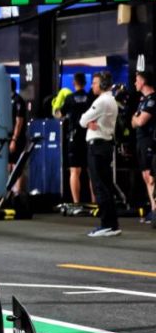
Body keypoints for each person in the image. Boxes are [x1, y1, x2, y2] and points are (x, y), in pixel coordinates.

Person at [80, 71, 120, 237]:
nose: (92, 86)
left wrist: (88, 122)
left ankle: (106, 224)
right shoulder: (111, 100)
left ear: (103, 84)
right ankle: (112, 224)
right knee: (106, 185)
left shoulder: (102, 101)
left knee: (100, 186)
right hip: (104, 145)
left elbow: (83, 120)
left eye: (95, 83)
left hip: (97, 146)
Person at [56, 73, 94, 205]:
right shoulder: (90, 98)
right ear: (85, 83)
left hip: (74, 137)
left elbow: (59, 114)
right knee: (91, 170)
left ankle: (76, 202)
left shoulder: (70, 98)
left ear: (74, 83)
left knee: (74, 170)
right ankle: (94, 202)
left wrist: (56, 106)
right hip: (89, 136)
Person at [130, 70, 156, 224]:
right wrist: (136, 118)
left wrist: (136, 117)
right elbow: (133, 123)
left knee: (151, 177)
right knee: (146, 176)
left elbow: (140, 121)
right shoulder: (142, 100)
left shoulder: (153, 100)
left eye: (137, 80)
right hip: (140, 141)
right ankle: (153, 209)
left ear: (144, 81)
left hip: (150, 141)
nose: (135, 83)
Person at [9, 79, 27, 195]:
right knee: (8, 165)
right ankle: (9, 191)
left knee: (17, 165)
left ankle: (18, 193)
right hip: (7, 137)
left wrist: (14, 139)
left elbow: (19, 121)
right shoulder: (5, 100)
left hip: (17, 139)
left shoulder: (18, 100)